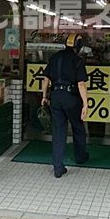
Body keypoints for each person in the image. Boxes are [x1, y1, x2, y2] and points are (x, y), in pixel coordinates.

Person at [41, 33, 90, 178]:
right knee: (78, 127)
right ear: (78, 46)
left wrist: (44, 96)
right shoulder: (78, 61)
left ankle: (58, 167)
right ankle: (80, 157)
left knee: (58, 131)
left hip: (55, 97)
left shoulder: (55, 57)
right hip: (72, 99)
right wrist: (85, 104)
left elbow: (46, 79)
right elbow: (81, 84)